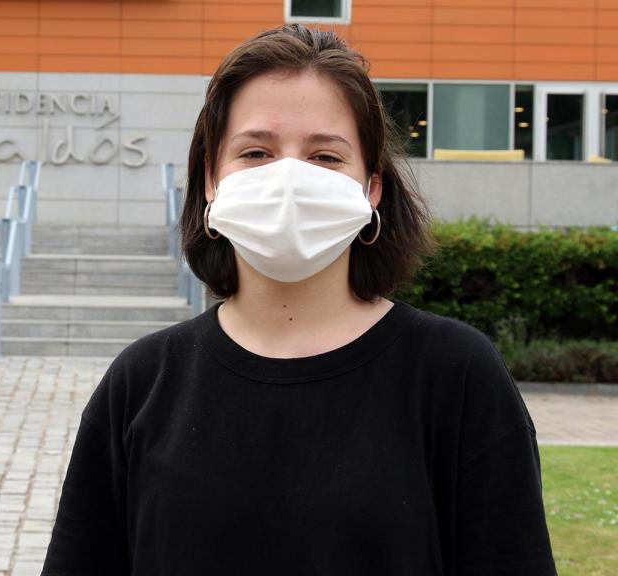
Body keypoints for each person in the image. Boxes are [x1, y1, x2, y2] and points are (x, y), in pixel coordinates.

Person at [41, 24, 556, 576]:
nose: (288, 177)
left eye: (326, 157)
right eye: (256, 151)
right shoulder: (142, 380)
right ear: (212, 179)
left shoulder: (456, 376)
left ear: (372, 188)